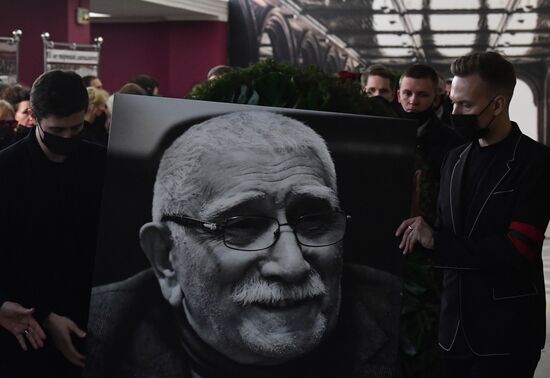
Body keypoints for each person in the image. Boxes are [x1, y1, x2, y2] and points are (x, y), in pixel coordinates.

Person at [85, 110, 401, 378]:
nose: (292, 266)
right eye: (243, 226)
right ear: (167, 258)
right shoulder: (98, 336)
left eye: (313, 220)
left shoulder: (395, 315)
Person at [396, 52, 550, 378]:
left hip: (506, 335)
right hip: (453, 332)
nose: (455, 114)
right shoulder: (455, 158)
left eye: (466, 106)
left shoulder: (535, 162)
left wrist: (436, 239)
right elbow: (445, 233)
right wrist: (417, 225)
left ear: (497, 105)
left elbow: (518, 250)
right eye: (453, 103)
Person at [0, 70, 106, 377]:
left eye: (76, 129)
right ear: (33, 117)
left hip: (90, 323)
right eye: (57, 131)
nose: (67, 139)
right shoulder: (6, 172)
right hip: (24, 332)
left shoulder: (102, 165)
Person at [397, 64, 463, 222]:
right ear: (398, 96)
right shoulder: (382, 135)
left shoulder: (453, 142)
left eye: (422, 95)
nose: (413, 101)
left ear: (436, 100)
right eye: (408, 93)